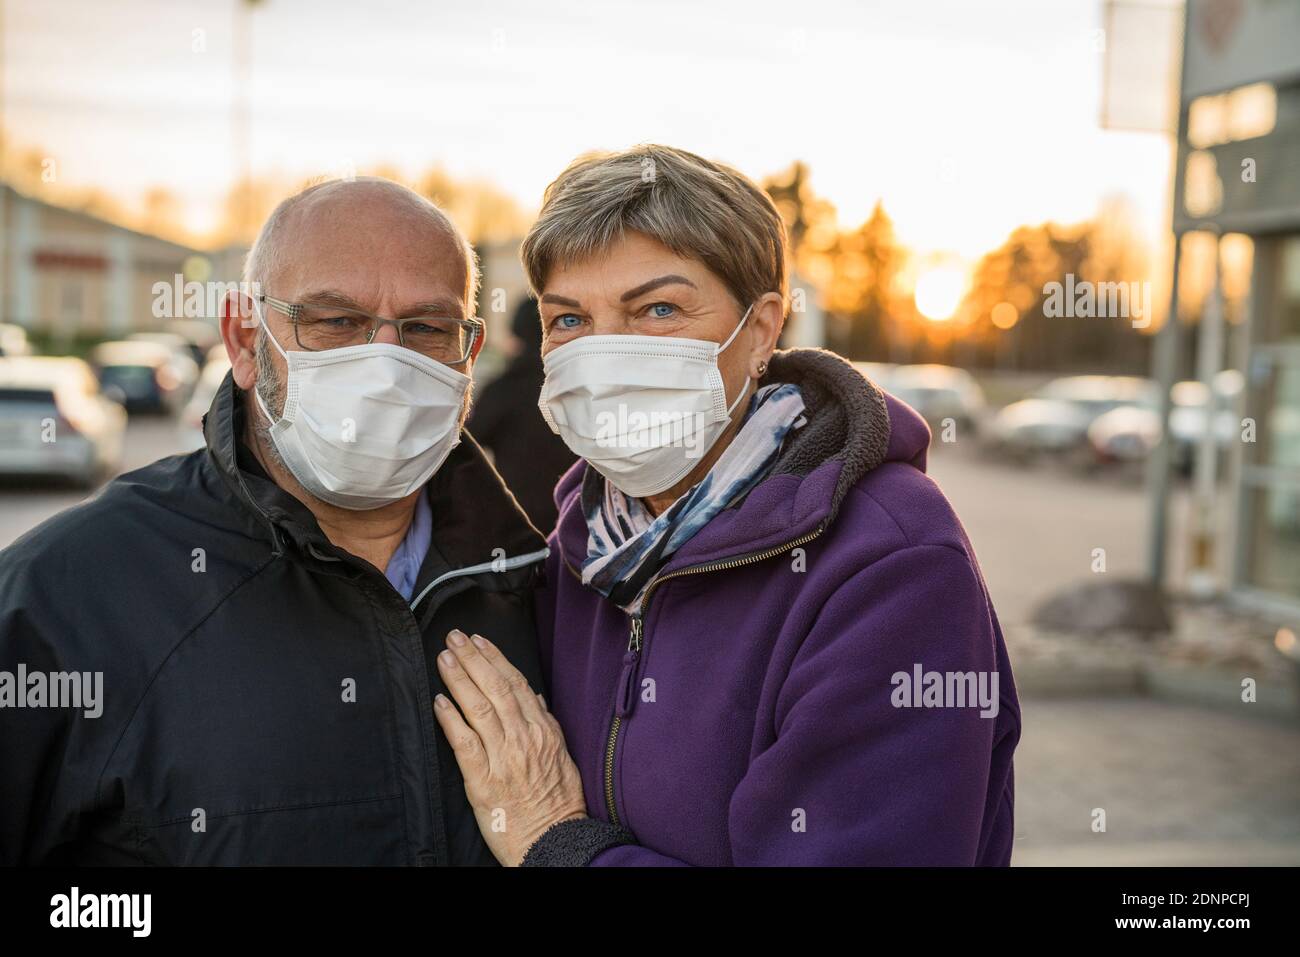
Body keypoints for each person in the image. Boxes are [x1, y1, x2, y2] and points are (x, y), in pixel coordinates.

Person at [431, 145, 1021, 866]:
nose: (608, 351)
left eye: (657, 308)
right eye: (571, 320)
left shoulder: (892, 567)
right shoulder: (584, 551)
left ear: (763, 328)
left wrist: (559, 844)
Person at [0, 178, 548, 865]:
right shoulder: (64, 598)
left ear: (468, 357)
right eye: (335, 321)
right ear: (243, 339)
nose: (384, 364)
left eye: (426, 328)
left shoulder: (538, 590)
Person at [467, 297, 576, 532]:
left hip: (521, 523)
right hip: (576, 519)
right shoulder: (576, 386)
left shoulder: (506, 389)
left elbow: (467, 442)